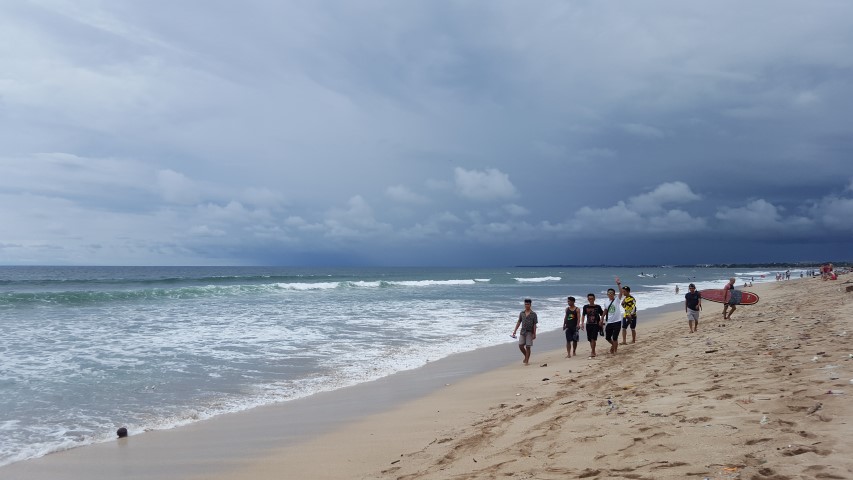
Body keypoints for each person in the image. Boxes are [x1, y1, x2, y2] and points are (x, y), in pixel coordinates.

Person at [512, 298, 538, 365]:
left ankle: (527, 361)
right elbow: (519, 322)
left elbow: (535, 324)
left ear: (530, 305)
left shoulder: (533, 314)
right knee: (520, 345)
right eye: (525, 304)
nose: (526, 305)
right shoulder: (522, 313)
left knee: (528, 346)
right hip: (522, 332)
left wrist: (534, 334)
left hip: (530, 332)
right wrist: (515, 331)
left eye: (528, 304)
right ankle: (526, 356)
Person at [581, 293, 604, 358]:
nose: (590, 300)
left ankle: (593, 352)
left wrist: (601, 321)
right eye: (589, 299)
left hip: (596, 325)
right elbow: (583, 315)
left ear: (594, 299)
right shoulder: (585, 307)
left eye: (592, 299)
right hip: (588, 324)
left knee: (593, 338)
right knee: (590, 339)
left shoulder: (598, 307)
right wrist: (582, 323)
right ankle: (593, 350)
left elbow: (602, 314)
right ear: (588, 299)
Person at [602, 283, 622, 354]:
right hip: (609, 322)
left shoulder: (617, 300)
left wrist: (619, 284)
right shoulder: (606, 302)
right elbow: (605, 310)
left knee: (615, 337)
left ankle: (615, 351)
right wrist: (602, 319)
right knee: (607, 337)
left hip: (617, 321)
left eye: (611, 293)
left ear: (614, 294)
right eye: (609, 293)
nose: (610, 294)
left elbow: (621, 292)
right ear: (607, 294)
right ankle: (613, 345)